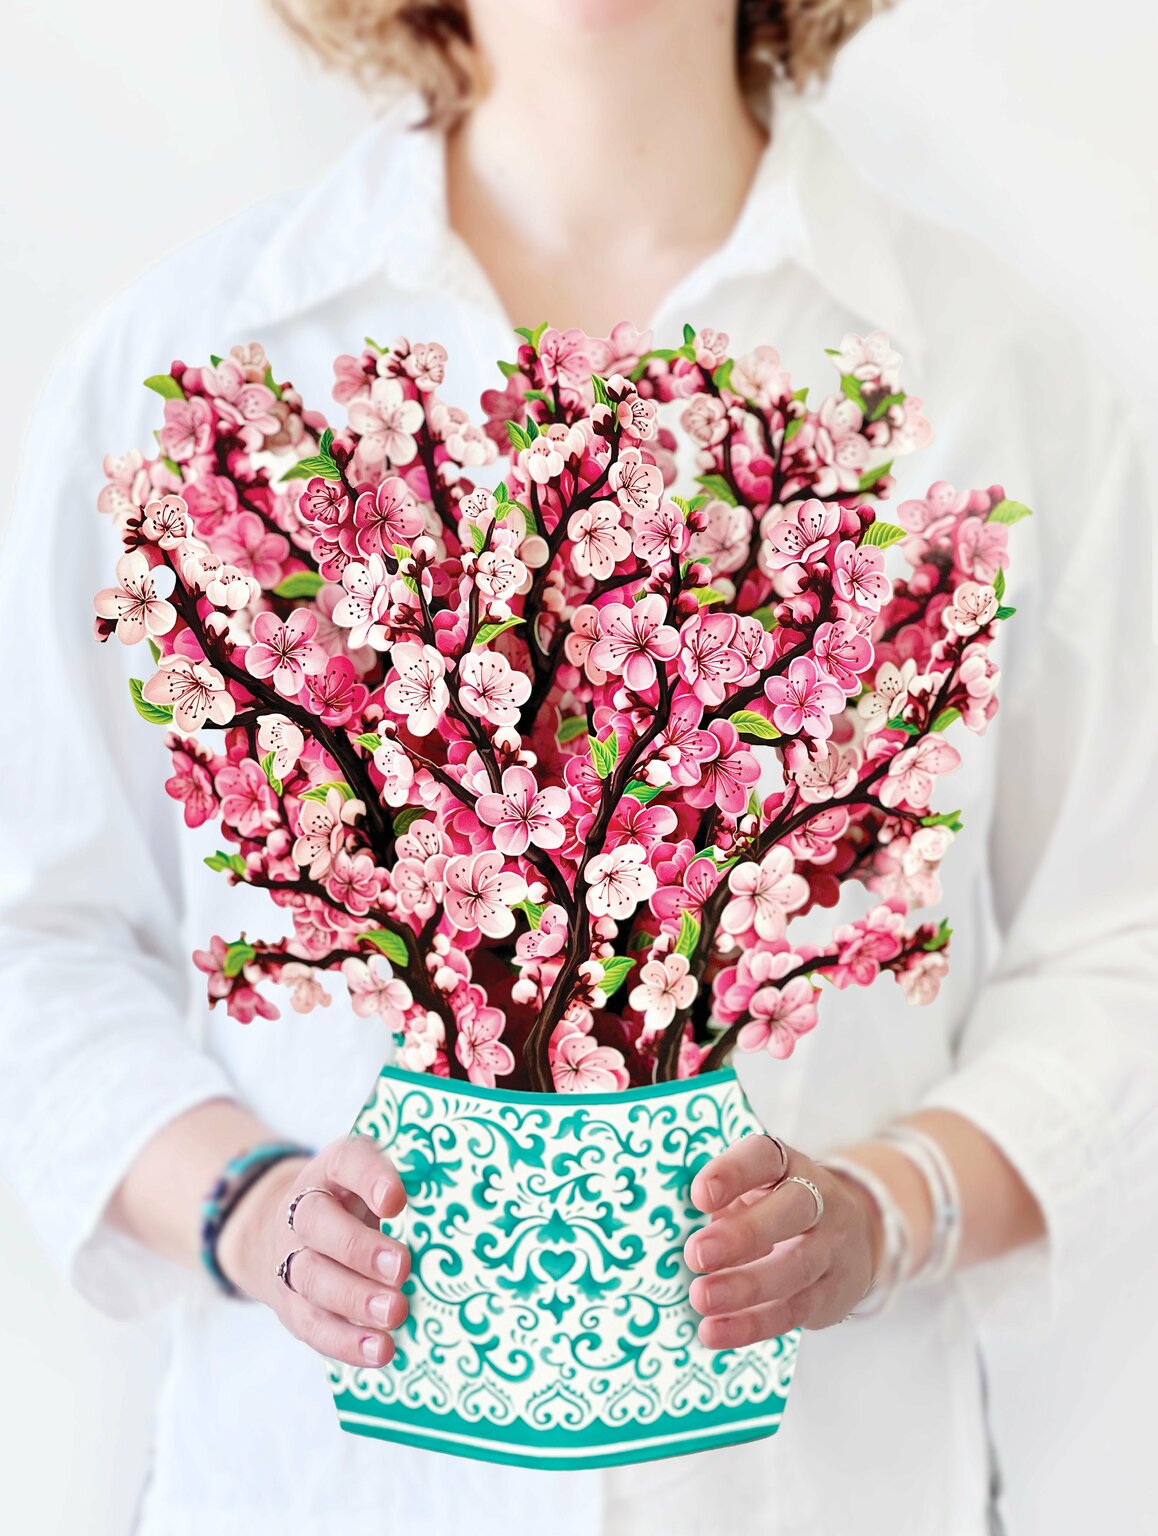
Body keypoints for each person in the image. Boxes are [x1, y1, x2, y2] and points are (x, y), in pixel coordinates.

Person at [1, 2, 1155, 1533]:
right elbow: (41, 933)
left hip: (822, 1492)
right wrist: (249, 1206)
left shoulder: (1001, 377)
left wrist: (889, 1211)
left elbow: (1119, 942)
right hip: (319, 1491)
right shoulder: (192, 362)